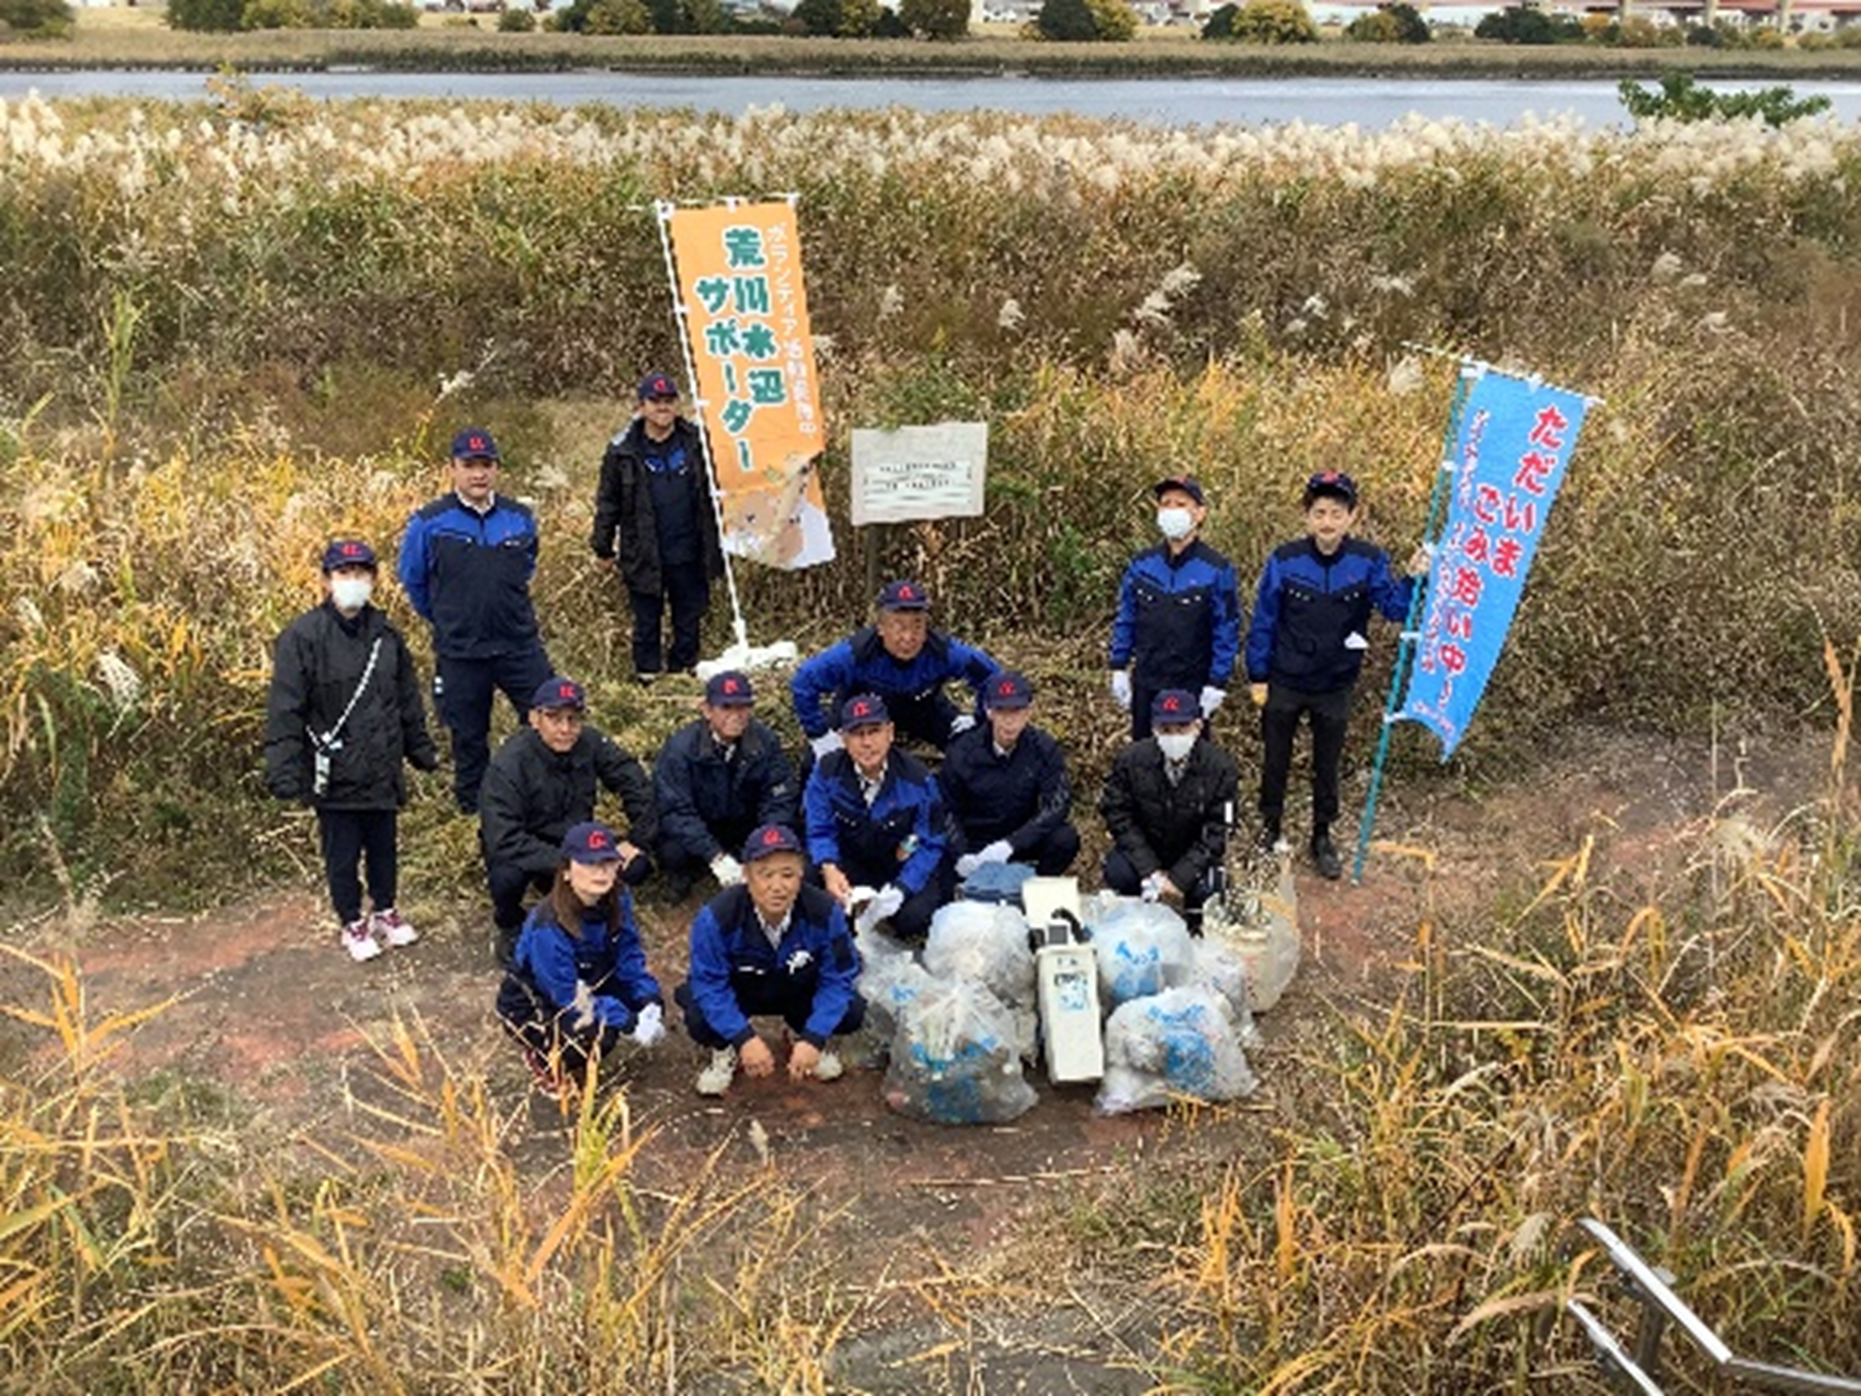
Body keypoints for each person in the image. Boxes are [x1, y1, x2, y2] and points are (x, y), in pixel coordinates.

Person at [264, 538, 440, 963]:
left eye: (362, 573)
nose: (353, 581)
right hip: (334, 765)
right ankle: (351, 919)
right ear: (327, 580)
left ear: (374, 579)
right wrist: (283, 768)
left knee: (384, 843)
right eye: (344, 573)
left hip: (381, 763)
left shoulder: (387, 636)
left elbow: (406, 699)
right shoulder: (302, 637)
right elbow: (286, 707)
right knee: (341, 850)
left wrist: (420, 749)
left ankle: (385, 910)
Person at [1246, 468, 1425, 880]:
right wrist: (1258, 674)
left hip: (1335, 683)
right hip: (1285, 680)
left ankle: (1321, 836)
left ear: (1352, 517)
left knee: (1327, 765)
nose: (1327, 521)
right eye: (1319, 512)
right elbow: (1264, 621)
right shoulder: (1285, 559)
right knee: (1276, 760)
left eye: (1336, 512)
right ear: (1307, 516)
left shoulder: (1369, 560)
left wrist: (1416, 577)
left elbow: (1395, 609)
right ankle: (1269, 828)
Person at [398, 426, 553, 814]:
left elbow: (527, 566)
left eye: (486, 465)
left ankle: (542, 800)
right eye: (469, 465)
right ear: (453, 468)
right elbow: (414, 581)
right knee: (468, 739)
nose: (478, 474)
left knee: (547, 721)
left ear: (496, 468)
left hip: (519, 645)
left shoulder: (520, 518)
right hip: (461, 652)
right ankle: (477, 815)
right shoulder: (429, 522)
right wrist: (451, 618)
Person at [479, 676, 657, 968]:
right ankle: (510, 924)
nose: (565, 729)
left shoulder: (590, 742)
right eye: (554, 718)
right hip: (527, 847)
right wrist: (570, 864)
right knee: (505, 877)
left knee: (636, 867)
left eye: (573, 719)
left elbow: (633, 780)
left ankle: (593, 912)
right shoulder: (509, 764)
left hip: (575, 841)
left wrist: (637, 838)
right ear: (534, 719)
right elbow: (503, 838)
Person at [675, 823, 864, 1096]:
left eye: (787, 874)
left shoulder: (825, 912)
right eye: (765, 875)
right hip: (743, 990)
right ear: (746, 877)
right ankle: (725, 1048)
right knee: (697, 1010)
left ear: (801, 874)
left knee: (852, 1011)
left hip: (796, 987)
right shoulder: (717, 917)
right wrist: (743, 1038)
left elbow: (839, 977)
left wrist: (815, 1035)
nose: (777, 887)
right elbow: (709, 983)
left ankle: (804, 1037)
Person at [496, 820, 667, 1091]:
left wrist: (647, 997)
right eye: (589, 864)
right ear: (566, 871)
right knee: (596, 1032)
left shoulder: (619, 899)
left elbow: (629, 952)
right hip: (538, 1003)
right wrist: (628, 1021)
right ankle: (544, 1056)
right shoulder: (548, 925)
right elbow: (566, 995)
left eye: (608, 862)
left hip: (590, 978)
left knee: (643, 1003)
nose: (600, 872)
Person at [590, 372, 725, 685]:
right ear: (641, 406)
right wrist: (602, 546)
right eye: (655, 401)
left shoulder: (696, 441)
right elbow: (608, 501)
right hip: (644, 552)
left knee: (689, 615)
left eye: (669, 401)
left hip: (690, 548)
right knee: (646, 619)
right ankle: (647, 676)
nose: (663, 407)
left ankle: (683, 672)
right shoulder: (622, 450)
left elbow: (720, 489)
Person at [803, 693, 953, 945]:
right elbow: (819, 829)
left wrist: (902, 888)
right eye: (857, 734)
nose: (867, 743)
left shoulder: (918, 779)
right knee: (810, 888)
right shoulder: (826, 772)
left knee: (912, 918)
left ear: (890, 733)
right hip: (848, 864)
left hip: (896, 867)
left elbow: (929, 841)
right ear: (843, 739)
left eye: (874, 731)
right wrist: (829, 867)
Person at [790, 580, 1001, 760]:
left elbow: (993, 678)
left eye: (917, 626)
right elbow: (804, 681)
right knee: (820, 761)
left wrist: (979, 717)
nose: (908, 638)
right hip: (861, 712)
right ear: (881, 628)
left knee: (973, 752)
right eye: (899, 626)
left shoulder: (944, 651)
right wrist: (820, 734)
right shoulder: (855, 654)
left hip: (925, 709)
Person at [1108, 475, 1244, 740]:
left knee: (1190, 760)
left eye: (1181, 504)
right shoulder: (1142, 565)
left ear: (1200, 513)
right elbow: (1126, 617)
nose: (1172, 510)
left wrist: (1217, 682)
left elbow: (1226, 629)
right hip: (1147, 679)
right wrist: (1118, 666)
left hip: (1192, 683)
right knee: (1144, 757)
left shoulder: (1216, 569)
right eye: (1166, 504)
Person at [653, 669, 800, 901]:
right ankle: (686, 875)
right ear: (707, 710)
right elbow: (675, 809)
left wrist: (765, 841)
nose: (736, 715)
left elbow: (780, 794)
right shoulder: (680, 749)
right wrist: (715, 856)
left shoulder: (765, 741)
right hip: (703, 824)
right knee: (673, 850)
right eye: (726, 707)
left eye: (742, 707)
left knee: (790, 829)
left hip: (743, 824)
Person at [1099, 689, 1239, 927]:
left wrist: (1180, 877)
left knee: (1211, 887)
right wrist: (1150, 869)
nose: (1174, 737)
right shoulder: (1132, 760)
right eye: (1165, 729)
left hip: (1192, 853)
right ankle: (1133, 922)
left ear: (1198, 726)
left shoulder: (1221, 767)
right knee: (1118, 872)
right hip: (1147, 848)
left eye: (1182, 728)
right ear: (1154, 729)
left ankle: (1196, 929)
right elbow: (1117, 813)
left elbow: (1221, 828)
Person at [942, 670, 1080, 881]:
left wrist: (1011, 844)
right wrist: (961, 853)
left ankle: (1036, 887)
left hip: (1020, 838)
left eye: (1016, 711)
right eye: (1002, 711)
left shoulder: (1043, 748)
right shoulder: (962, 750)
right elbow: (947, 807)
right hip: (975, 840)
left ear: (1028, 712)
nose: (1009, 721)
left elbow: (1057, 804)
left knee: (1064, 838)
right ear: (989, 711)